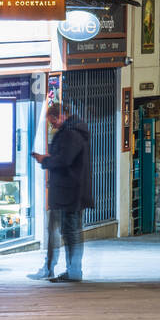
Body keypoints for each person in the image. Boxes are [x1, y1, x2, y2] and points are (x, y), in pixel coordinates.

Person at [30, 102, 93, 282]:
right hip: (69, 192)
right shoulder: (73, 132)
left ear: (61, 116)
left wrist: (45, 160)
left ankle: (71, 270)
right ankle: (65, 269)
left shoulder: (71, 133)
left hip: (69, 193)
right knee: (66, 231)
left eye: (53, 122)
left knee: (69, 232)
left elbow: (65, 160)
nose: (53, 126)